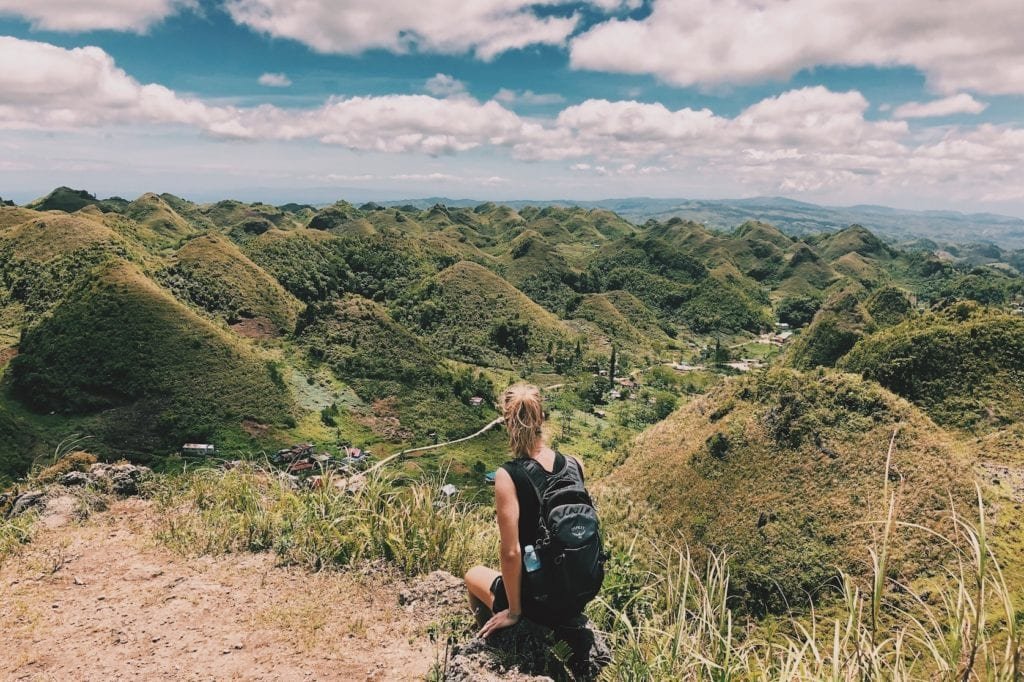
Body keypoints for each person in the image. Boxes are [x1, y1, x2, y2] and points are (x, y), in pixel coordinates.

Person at [463, 383, 585, 637]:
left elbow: (510, 552)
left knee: (473, 574)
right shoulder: (575, 464)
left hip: (537, 598)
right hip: (574, 592)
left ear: (507, 421)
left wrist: (514, 611)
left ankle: (490, 641)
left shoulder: (508, 475)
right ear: (542, 416)